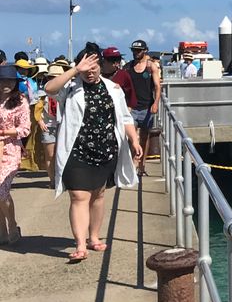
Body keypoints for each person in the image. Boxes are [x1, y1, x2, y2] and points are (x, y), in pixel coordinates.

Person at [44, 43, 141, 262]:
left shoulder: (113, 89)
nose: (90, 72)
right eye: (85, 68)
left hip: (105, 150)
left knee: (98, 195)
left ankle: (94, 237)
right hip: (76, 151)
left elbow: (124, 118)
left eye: (94, 67)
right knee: (79, 196)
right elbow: (49, 88)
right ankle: (80, 245)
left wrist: (134, 140)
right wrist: (75, 70)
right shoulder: (70, 88)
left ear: (101, 66)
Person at [0, 64, 32, 244]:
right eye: (3, 80)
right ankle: (2, 230)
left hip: (10, 149)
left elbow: (25, 129)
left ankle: (12, 225)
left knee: (1, 188)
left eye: (10, 81)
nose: (6, 84)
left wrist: (4, 132)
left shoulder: (20, 101)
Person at [126, 39, 160, 178]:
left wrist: (156, 103)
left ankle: (142, 166)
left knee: (144, 138)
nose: (136, 53)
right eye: (134, 50)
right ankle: (133, 164)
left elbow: (157, 86)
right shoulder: (128, 66)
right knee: (132, 137)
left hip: (147, 107)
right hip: (132, 107)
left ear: (145, 50)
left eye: (138, 50)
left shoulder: (151, 66)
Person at [37, 62, 66, 174]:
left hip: (64, 126)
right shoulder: (41, 94)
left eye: (58, 77)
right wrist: (40, 121)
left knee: (62, 154)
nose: (54, 79)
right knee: (50, 155)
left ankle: (60, 178)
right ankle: (53, 180)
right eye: (51, 77)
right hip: (48, 126)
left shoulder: (68, 92)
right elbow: (36, 109)